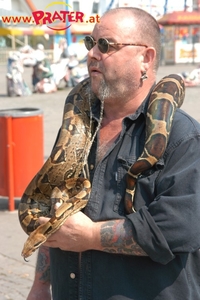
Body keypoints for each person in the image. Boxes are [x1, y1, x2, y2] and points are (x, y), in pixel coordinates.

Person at [26, 7, 200, 300]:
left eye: (105, 45)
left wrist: (91, 237)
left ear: (146, 58)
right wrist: (41, 285)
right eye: (90, 43)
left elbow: (179, 227)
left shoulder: (183, 138)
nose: (93, 54)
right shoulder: (79, 126)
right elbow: (56, 206)